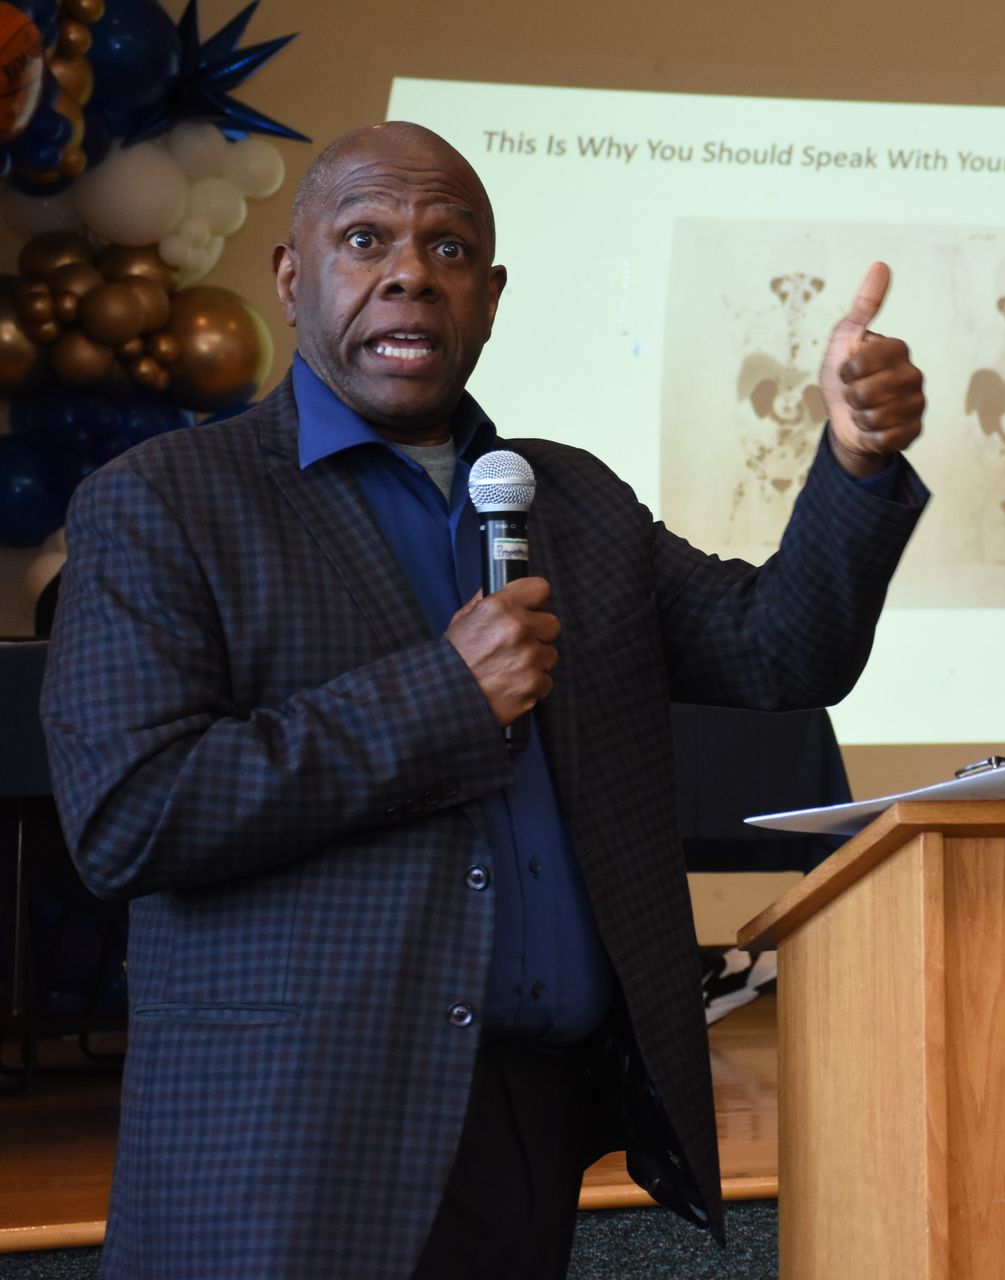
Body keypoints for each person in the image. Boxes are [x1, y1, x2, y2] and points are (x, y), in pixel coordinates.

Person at [39, 121, 928, 1280]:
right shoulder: (163, 503)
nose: (411, 268)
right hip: (288, 1137)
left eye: (449, 246)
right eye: (366, 238)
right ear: (293, 275)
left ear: (491, 295)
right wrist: (441, 699)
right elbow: (129, 814)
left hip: (525, 1118)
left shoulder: (574, 501)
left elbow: (780, 653)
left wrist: (853, 464)